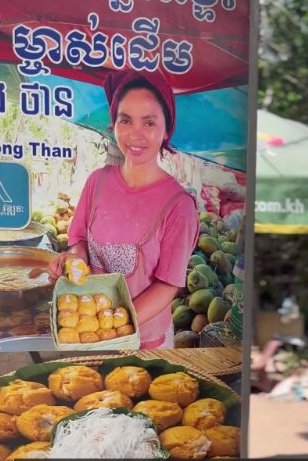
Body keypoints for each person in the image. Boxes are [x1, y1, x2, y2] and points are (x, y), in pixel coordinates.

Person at [48, 69, 198, 348]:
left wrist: (117, 326)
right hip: (90, 329)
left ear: (167, 129)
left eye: (149, 123)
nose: (135, 134)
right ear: (114, 124)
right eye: (125, 120)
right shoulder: (98, 181)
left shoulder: (179, 206)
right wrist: (74, 261)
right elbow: (78, 240)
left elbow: (168, 285)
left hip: (144, 340)